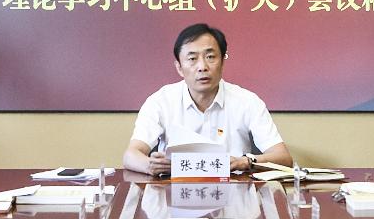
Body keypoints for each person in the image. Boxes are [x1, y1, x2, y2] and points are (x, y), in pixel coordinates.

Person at [123, 23, 290, 176]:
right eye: (192, 59)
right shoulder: (160, 102)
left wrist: (244, 162)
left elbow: (283, 158)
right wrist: (150, 166)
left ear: (222, 62)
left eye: (210, 57)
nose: (202, 67)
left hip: (235, 191)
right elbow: (131, 155)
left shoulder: (247, 101)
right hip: (174, 191)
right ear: (179, 68)